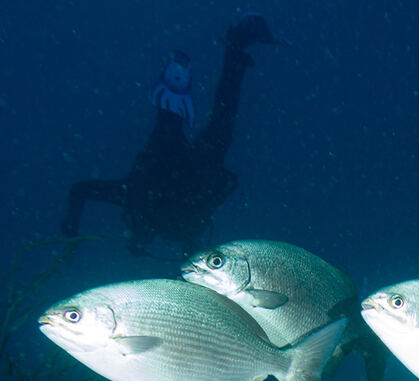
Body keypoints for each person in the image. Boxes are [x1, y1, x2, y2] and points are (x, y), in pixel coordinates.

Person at [60, 15, 281, 256]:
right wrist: (70, 232)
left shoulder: (159, 216)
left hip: (185, 171)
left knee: (218, 122)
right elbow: (80, 190)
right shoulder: (139, 205)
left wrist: (70, 237)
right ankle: (193, 79)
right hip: (185, 171)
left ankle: (229, 56)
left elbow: (80, 190)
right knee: (194, 125)